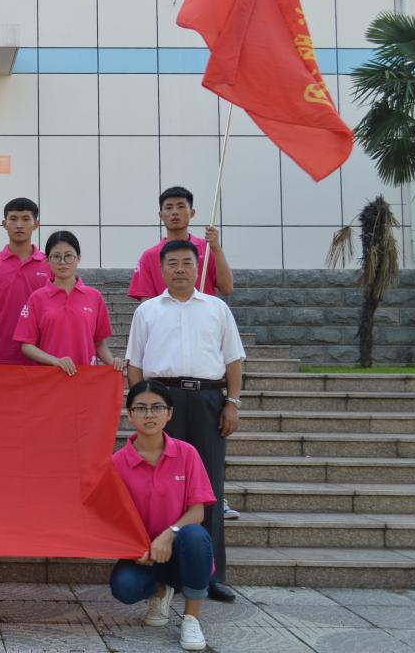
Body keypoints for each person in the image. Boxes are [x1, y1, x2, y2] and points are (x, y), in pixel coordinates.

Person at [125, 239, 246, 603]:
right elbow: (135, 364)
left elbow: (233, 359)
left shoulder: (216, 308)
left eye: (187, 262)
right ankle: (163, 571)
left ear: (198, 267)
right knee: (163, 485)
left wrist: (232, 403)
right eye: (172, 263)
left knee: (209, 487)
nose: (179, 269)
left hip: (208, 399)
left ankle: (209, 575)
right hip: (164, 400)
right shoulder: (147, 311)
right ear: (161, 269)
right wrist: (145, 407)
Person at [110, 380, 215, 651]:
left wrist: (170, 534)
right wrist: (133, 547)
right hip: (142, 555)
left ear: (169, 413)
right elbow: (112, 517)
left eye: (157, 407)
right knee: (124, 587)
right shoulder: (117, 463)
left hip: (180, 550)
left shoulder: (187, 453)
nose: (149, 414)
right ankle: (159, 591)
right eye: (141, 408)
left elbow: (197, 511)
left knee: (195, 536)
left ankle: (191, 618)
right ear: (130, 414)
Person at [13, 230, 123, 375]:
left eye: (68, 256)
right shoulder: (37, 298)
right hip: (49, 379)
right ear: (47, 260)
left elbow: (99, 343)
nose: (63, 262)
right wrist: (56, 361)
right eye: (56, 256)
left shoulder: (94, 297)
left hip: (86, 378)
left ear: (78, 258)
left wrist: (113, 363)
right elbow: (27, 345)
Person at [0, 198, 52, 364]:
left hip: (43, 354)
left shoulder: (49, 264)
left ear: (36, 224)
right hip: (2, 354)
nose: (19, 225)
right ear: (4, 224)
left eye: (26, 219)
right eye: (13, 219)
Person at [128, 186, 233, 301]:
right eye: (169, 207)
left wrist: (217, 249)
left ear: (192, 213)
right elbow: (146, 302)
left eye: (181, 206)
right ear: (161, 215)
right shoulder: (149, 256)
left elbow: (226, 289)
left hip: (204, 312)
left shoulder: (208, 248)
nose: (175, 212)